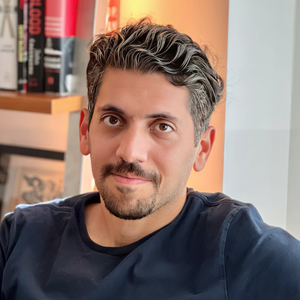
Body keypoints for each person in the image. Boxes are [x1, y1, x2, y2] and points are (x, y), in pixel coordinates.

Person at [1, 18, 300, 300]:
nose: (130, 152)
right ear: (84, 131)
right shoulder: (20, 237)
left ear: (202, 148)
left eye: (162, 127)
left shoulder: (243, 249)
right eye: (113, 120)